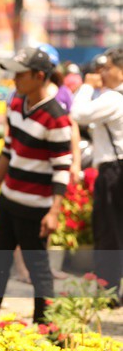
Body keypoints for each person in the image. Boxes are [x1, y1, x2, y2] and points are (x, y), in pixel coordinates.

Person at [0, 47, 72, 323]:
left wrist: (54, 211)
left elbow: (62, 169)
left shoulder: (56, 117)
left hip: (35, 209)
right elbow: (8, 151)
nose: (14, 79)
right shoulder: (17, 104)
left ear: (39, 76)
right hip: (8, 201)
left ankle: (46, 326)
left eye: (20, 73)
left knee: (38, 269)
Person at [71, 46, 123, 306]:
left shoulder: (114, 98)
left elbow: (78, 114)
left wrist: (87, 87)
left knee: (109, 230)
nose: (103, 73)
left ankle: (108, 291)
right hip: (116, 168)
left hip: (114, 171)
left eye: (108, 68)